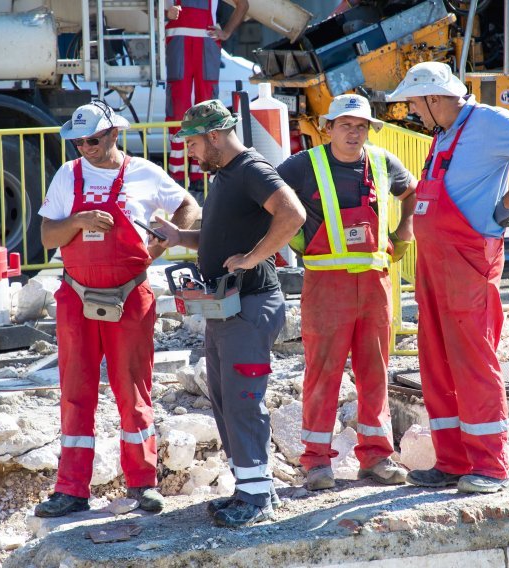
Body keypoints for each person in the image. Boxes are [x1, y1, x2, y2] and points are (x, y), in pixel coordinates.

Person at [386, 62, 509, 494]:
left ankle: (489, 466)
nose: (412, 110)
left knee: (472, 360)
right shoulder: (443, 134)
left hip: (467, 259)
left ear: (433, 96)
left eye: (414, 101)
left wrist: (506, 206)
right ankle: (451, 461)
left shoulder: (487, 121)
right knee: (436, 359)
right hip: (434, 262)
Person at [34, 101, 200, 517]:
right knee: (76, 392)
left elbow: (186, 206)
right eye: (77, 142)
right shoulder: (67, 176)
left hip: (129, 296)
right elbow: (47, 235)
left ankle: (142, 484)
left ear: (113, 135)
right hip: (77, 297)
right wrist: (78, 220)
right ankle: (71, 490)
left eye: (91, 140)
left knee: (133, 390)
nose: (84, 148)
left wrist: (165, 242)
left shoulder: (144, 173)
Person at [154, 99, 306, 527]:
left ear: (215, 137)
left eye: (194, 143)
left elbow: (292, 214)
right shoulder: (226, 175)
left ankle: (258, 498)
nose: (191, 152)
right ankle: (248, 487)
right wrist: (180, 236)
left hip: (249, 305)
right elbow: (223, 234)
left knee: (243, 400)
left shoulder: (251, 170)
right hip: (226, 307)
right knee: (225, 399)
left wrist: (254, 257)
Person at [276, 94, 417, 491]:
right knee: (323, 373)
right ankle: (317, 463)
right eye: (345, 125)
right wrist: (285, 238)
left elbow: (412, 194)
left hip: (374, 284)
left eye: (361, 126)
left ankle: (377, 457)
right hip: (326, 285)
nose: (354, 133)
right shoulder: (303, 166)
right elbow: (266, 198)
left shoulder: (383, 162)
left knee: (375, 372)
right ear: (328, 128)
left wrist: (405, 230)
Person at [163, 0, 249, 200]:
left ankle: (202, 174)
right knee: (178, 110)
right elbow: (152, 10)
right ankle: (177, 176)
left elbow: (242, 5)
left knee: (207, 112)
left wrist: (226, 33)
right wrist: (166, 13)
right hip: (178, 45)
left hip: (206, 45)